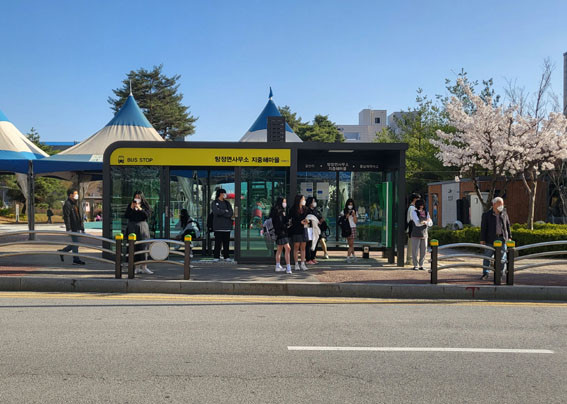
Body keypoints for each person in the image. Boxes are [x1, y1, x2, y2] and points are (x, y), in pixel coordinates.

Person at [480, 197, 511, 280]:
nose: (502, 206)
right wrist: (482, 239)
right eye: (500, 204)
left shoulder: (504, 214)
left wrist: (509, 237)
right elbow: (483, 228)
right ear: (494, 204)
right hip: (490, 239)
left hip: (502, 238)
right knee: (487, 256)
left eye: (502, 204)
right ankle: (485, 273)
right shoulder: (486, 215)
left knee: (502, 258)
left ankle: (499, 274)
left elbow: (507, 226)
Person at [124, 191, 152, 274]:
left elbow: (147, 215)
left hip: (142, 227)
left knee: (143, 246)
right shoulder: (131, 205)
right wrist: (131, 208)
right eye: (135, 197)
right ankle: (136, 267)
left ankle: (144, 266)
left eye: (138, 197)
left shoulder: (145, 205)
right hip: (132, 226)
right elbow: (126, 215)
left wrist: (140, 208)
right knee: (133, 246)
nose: (137, 199)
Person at [58, 188, 85, 265]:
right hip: (73, 227)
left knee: (77, 243)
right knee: (76, 243)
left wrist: (82, 227)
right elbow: (67, 217)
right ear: (70, 195)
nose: (77, 195)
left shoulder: (75, 203)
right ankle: (76, 259)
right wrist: (68, 228)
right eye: (75, 194)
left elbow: (78, 216)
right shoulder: (67, 204)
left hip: (77, 226)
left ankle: (63, 251)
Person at [269, 197, 292, 274]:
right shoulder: (278, 211)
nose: (285, 203)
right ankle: (288, 267)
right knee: (288, 248)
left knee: (279, 249)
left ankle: (278, 265)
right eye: (284, 202)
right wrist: (286, 225)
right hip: (281, 232)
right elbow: (280, 223)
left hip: (279, 232)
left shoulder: (279, 210)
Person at [211, 188, 233, 262]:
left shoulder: (227, 203)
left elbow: (230, 213)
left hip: (227, 227)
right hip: (218, 227)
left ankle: (226, 256)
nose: (225, 195)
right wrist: (225, 211)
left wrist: (222, 212)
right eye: (224, 193)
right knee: (218, 243)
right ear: (220, 194)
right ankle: (216, 256)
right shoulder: (214, 202)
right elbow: (216, 212)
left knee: (226, 243)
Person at [410, 199, 433, 270]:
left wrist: (424, 222)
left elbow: (431, 223)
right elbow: (417, 223)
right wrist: (426, 222)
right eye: (420, 205)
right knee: (415, 251)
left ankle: (421, 265)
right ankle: (415, 265)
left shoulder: (426, 213)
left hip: (424, 234)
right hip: (416, 234)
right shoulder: (414, 212)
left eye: (422, 205)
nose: (421, 206)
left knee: (424, 250)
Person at [289, 194, 309, 271]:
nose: (304, 201)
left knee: (303, 247)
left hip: (304, 229)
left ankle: (303, 263)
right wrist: (299, 222)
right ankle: (296, 263)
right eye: (303, 199)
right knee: (296, 246)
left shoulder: (305, 209)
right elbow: (291, 220)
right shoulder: (293, 209)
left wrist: (307, 221)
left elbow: (308, 217)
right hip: (296, 230)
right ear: (299, 200)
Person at [305, 196, 324, 264]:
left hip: (316, 229)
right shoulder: (307, 210)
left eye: (314, 201)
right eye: (313, 201)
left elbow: (319, 218)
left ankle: (313, 257)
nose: (314, 203)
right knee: (309, 244)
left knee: (315, 243)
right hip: (309, 228)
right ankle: (308, 258)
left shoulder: (316, 210)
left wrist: (321, 220)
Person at [406, 193, 421, 266]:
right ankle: (410, 260)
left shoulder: (413, 207)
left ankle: (411, 259)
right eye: (418, 199)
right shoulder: (412, 208)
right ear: (415, 199)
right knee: (412, 245)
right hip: (412, 228)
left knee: (412, 244)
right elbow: (413, 219)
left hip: (412, 228)